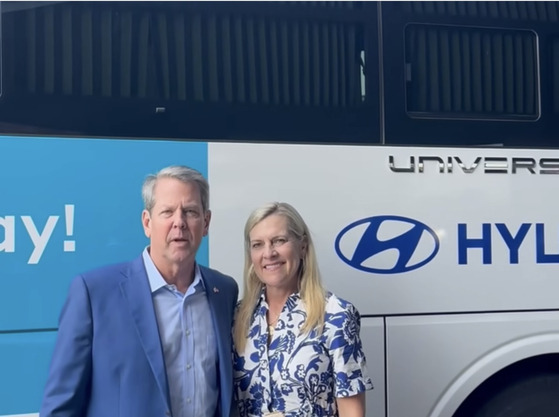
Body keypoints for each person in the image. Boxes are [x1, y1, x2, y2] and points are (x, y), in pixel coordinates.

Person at [40, 165, 239, 417]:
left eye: (190, 212)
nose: (179, 223)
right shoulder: (93, 293)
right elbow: (60, 407)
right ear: (147, 222)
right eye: (167, 212)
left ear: (206, 222)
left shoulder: (224, 291)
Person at [233, 202, 373, 417]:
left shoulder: (336, 316)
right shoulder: (238, 317)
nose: (268, 253)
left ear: (303, 246)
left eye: (279, 241)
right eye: (258, 244)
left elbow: (352, 413)